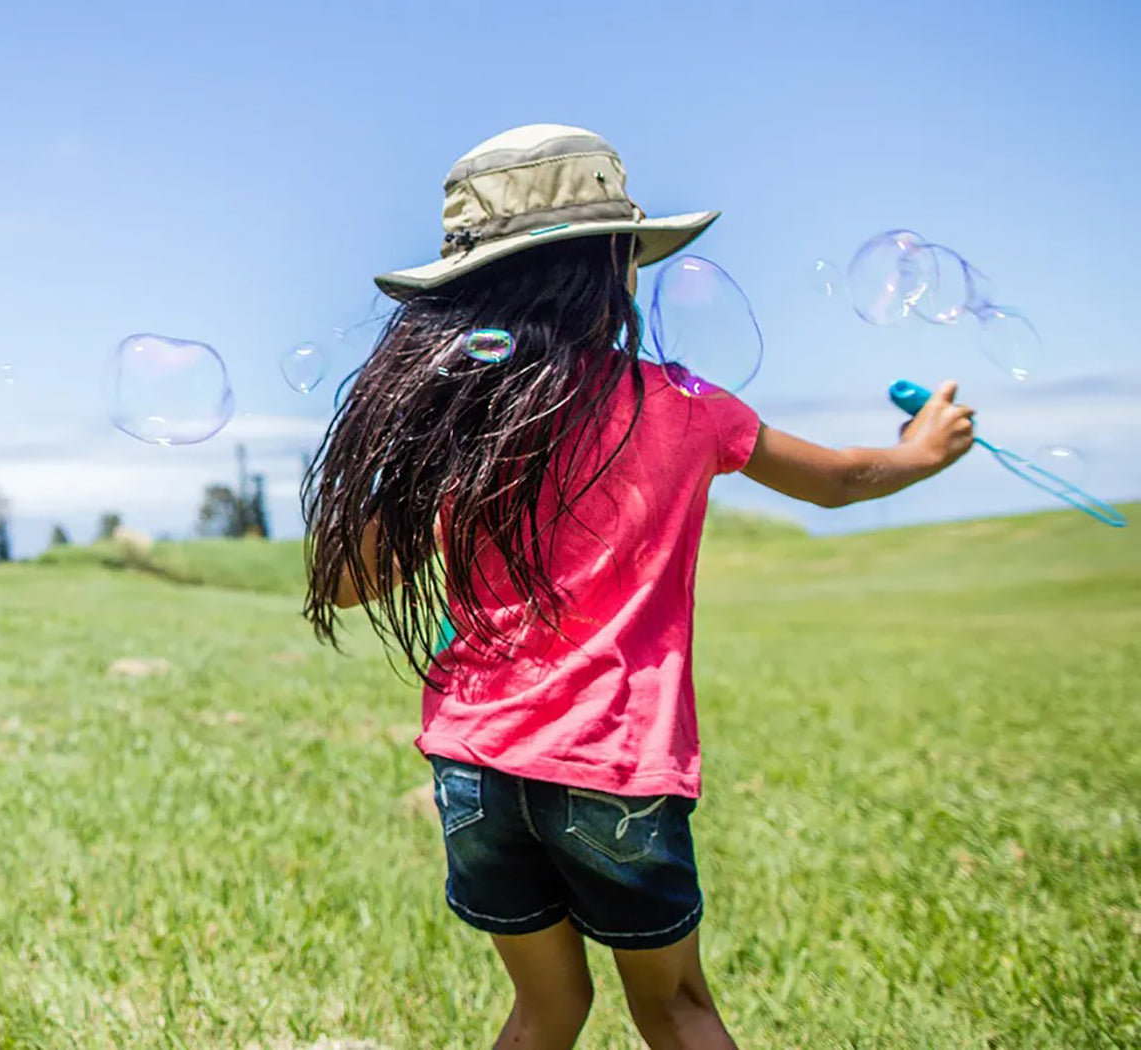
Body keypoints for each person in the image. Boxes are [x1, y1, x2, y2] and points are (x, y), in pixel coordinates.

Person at [303, 125, 975, 1050]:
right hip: (614, 766)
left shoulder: (460, 423)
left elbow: (344, 586)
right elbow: (838, 480)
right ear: (614, 267)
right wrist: (921, 451)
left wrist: (402, 453)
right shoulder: (688, 408)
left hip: (475, 769)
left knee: (547, 1007)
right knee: (678, 1009)